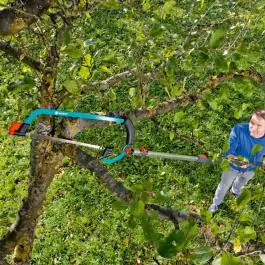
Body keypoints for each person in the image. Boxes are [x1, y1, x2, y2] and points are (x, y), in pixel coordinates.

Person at [208, 109, 265, 213]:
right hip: (232, 167)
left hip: (251, 168)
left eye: (259, 125)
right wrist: (236, 160)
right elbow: (228, 151)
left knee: (243, 180)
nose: (253, 127)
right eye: (252, 122)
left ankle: (235, 190)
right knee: (224, 185)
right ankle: (215, 203)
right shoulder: (239, 129)